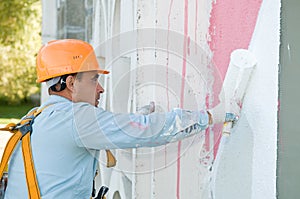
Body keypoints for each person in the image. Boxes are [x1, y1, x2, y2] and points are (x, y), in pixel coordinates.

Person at [4, 39, 238, 199]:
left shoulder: (37, 117)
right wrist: (207, 117)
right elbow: (146, 131)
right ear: (72, 83)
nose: (100, 89)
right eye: (94, 79)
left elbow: (111, 129)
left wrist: (137, 118)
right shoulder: (75, 118)